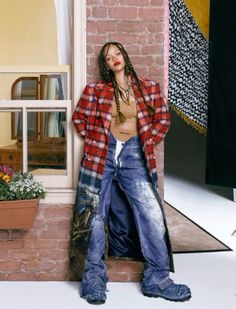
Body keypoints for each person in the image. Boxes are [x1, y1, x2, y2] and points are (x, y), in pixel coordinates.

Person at [71, 41, 191, 304]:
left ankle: (157, 280)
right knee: (93, 214)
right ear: (104, 65)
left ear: (125, 56)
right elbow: (79, 118)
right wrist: (95, 141)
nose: (114, 58)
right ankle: (93, 280)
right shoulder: (95, 90)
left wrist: (146, 141)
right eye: (108, 57)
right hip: (102, 152)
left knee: (151, 212)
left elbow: (163, 118)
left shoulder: (148, 88)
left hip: (134, 152)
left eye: (117, 53)